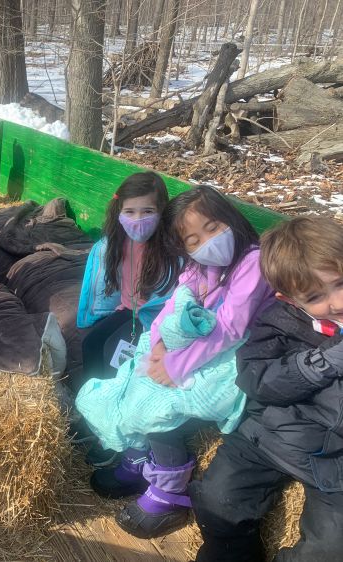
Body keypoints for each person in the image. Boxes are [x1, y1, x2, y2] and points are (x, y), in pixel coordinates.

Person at [76, 185, 274, 539]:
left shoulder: (252, 263)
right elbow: (174, 305)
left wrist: (175, 366)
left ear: (231, 218)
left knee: (162, 404)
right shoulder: (201, 269)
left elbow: (230, 328)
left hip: (235, 359)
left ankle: (169, 490)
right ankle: (138, 456)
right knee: (135, 377)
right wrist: (157, 347)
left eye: (213, 227)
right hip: (200, 349)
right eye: (194, 239)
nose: (207, 242)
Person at [191, 216, 343, 562]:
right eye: (316, 296)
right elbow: (256, 380)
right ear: (289, 299)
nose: (336, 302)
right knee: (217, 499)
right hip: (267, 437)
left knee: (334, 548)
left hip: (335, 460)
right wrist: (325, 362)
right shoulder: (278, 321)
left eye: (340, 283)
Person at [73, 172, 179, 394]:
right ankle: (90, 399)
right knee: (91, 344)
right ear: (119, 211)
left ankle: (112, 401)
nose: (138, 220)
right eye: (130, 212)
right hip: (129, 311)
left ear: (162, 212)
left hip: (156, 320)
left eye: (148, 212)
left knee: (120, 361)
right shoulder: (116, 243)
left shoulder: (171, 250)